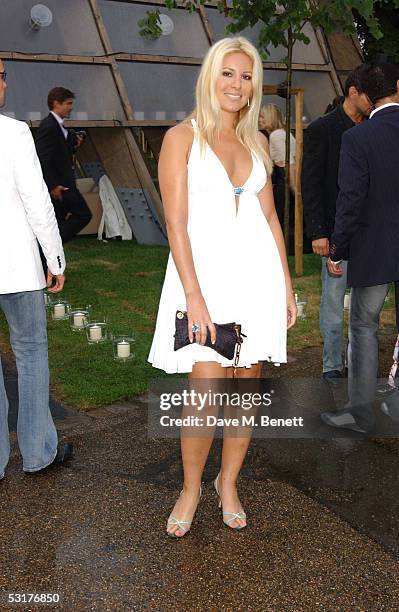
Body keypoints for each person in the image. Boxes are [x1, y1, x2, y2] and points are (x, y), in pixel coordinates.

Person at [148, 37, 296, 536]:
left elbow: (272, 219)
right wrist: (194, 296)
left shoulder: (256, 142)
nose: (237, 84)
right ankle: (190, 488)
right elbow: (176, 223)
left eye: (247, 75)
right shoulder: (181, 138)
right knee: (205, 390)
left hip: (255, 279)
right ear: (211, 77)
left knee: (244, 392)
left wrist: (286, 287)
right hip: (203, 280)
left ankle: (227, 482)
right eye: (228, 73)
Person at [0, 61, 72, 478]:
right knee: (30, 354)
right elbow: (37, 201)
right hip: (16, 267)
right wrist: (55, 257)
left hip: (16, 268)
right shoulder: (12, 133)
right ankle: (38, 452)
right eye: (1, 75)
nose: (5, 81)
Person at [323, 62, 399, 433]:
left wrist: (338, 247)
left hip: (375, 249)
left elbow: (349, 200)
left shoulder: (358, 138)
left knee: (364, 327)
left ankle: (361, 412)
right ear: (398, 86)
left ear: (367, 97)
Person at [302, 65, 372, 386]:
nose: (374, 99)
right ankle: (332, 366)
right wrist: (318, 231)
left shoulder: (374, 127)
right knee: (333, 302)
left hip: (369, 234)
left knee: (365, 307)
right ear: (352, 92)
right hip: (333, 233)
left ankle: (359, 365)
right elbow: (311, 183)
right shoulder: (322, 129)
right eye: (368, 93)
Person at [35, 87, 91, 245]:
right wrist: (53, 185)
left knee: (57, 223)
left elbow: (59, 152)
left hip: (62, 186)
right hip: (61, 187)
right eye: (67, 103)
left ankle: (49, 258)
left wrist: (73, 145)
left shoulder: (58, 125)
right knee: (83, 215)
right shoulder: (49, 126)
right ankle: (52, 245)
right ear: (55, 104)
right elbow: (42, 159)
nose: (71, 107)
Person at [258, 103, 296, 229]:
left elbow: (288, 163)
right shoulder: (284, 133)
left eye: (263, 117)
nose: (260, 120)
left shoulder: (275, 136)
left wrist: (294, 189)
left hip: (284, 186)